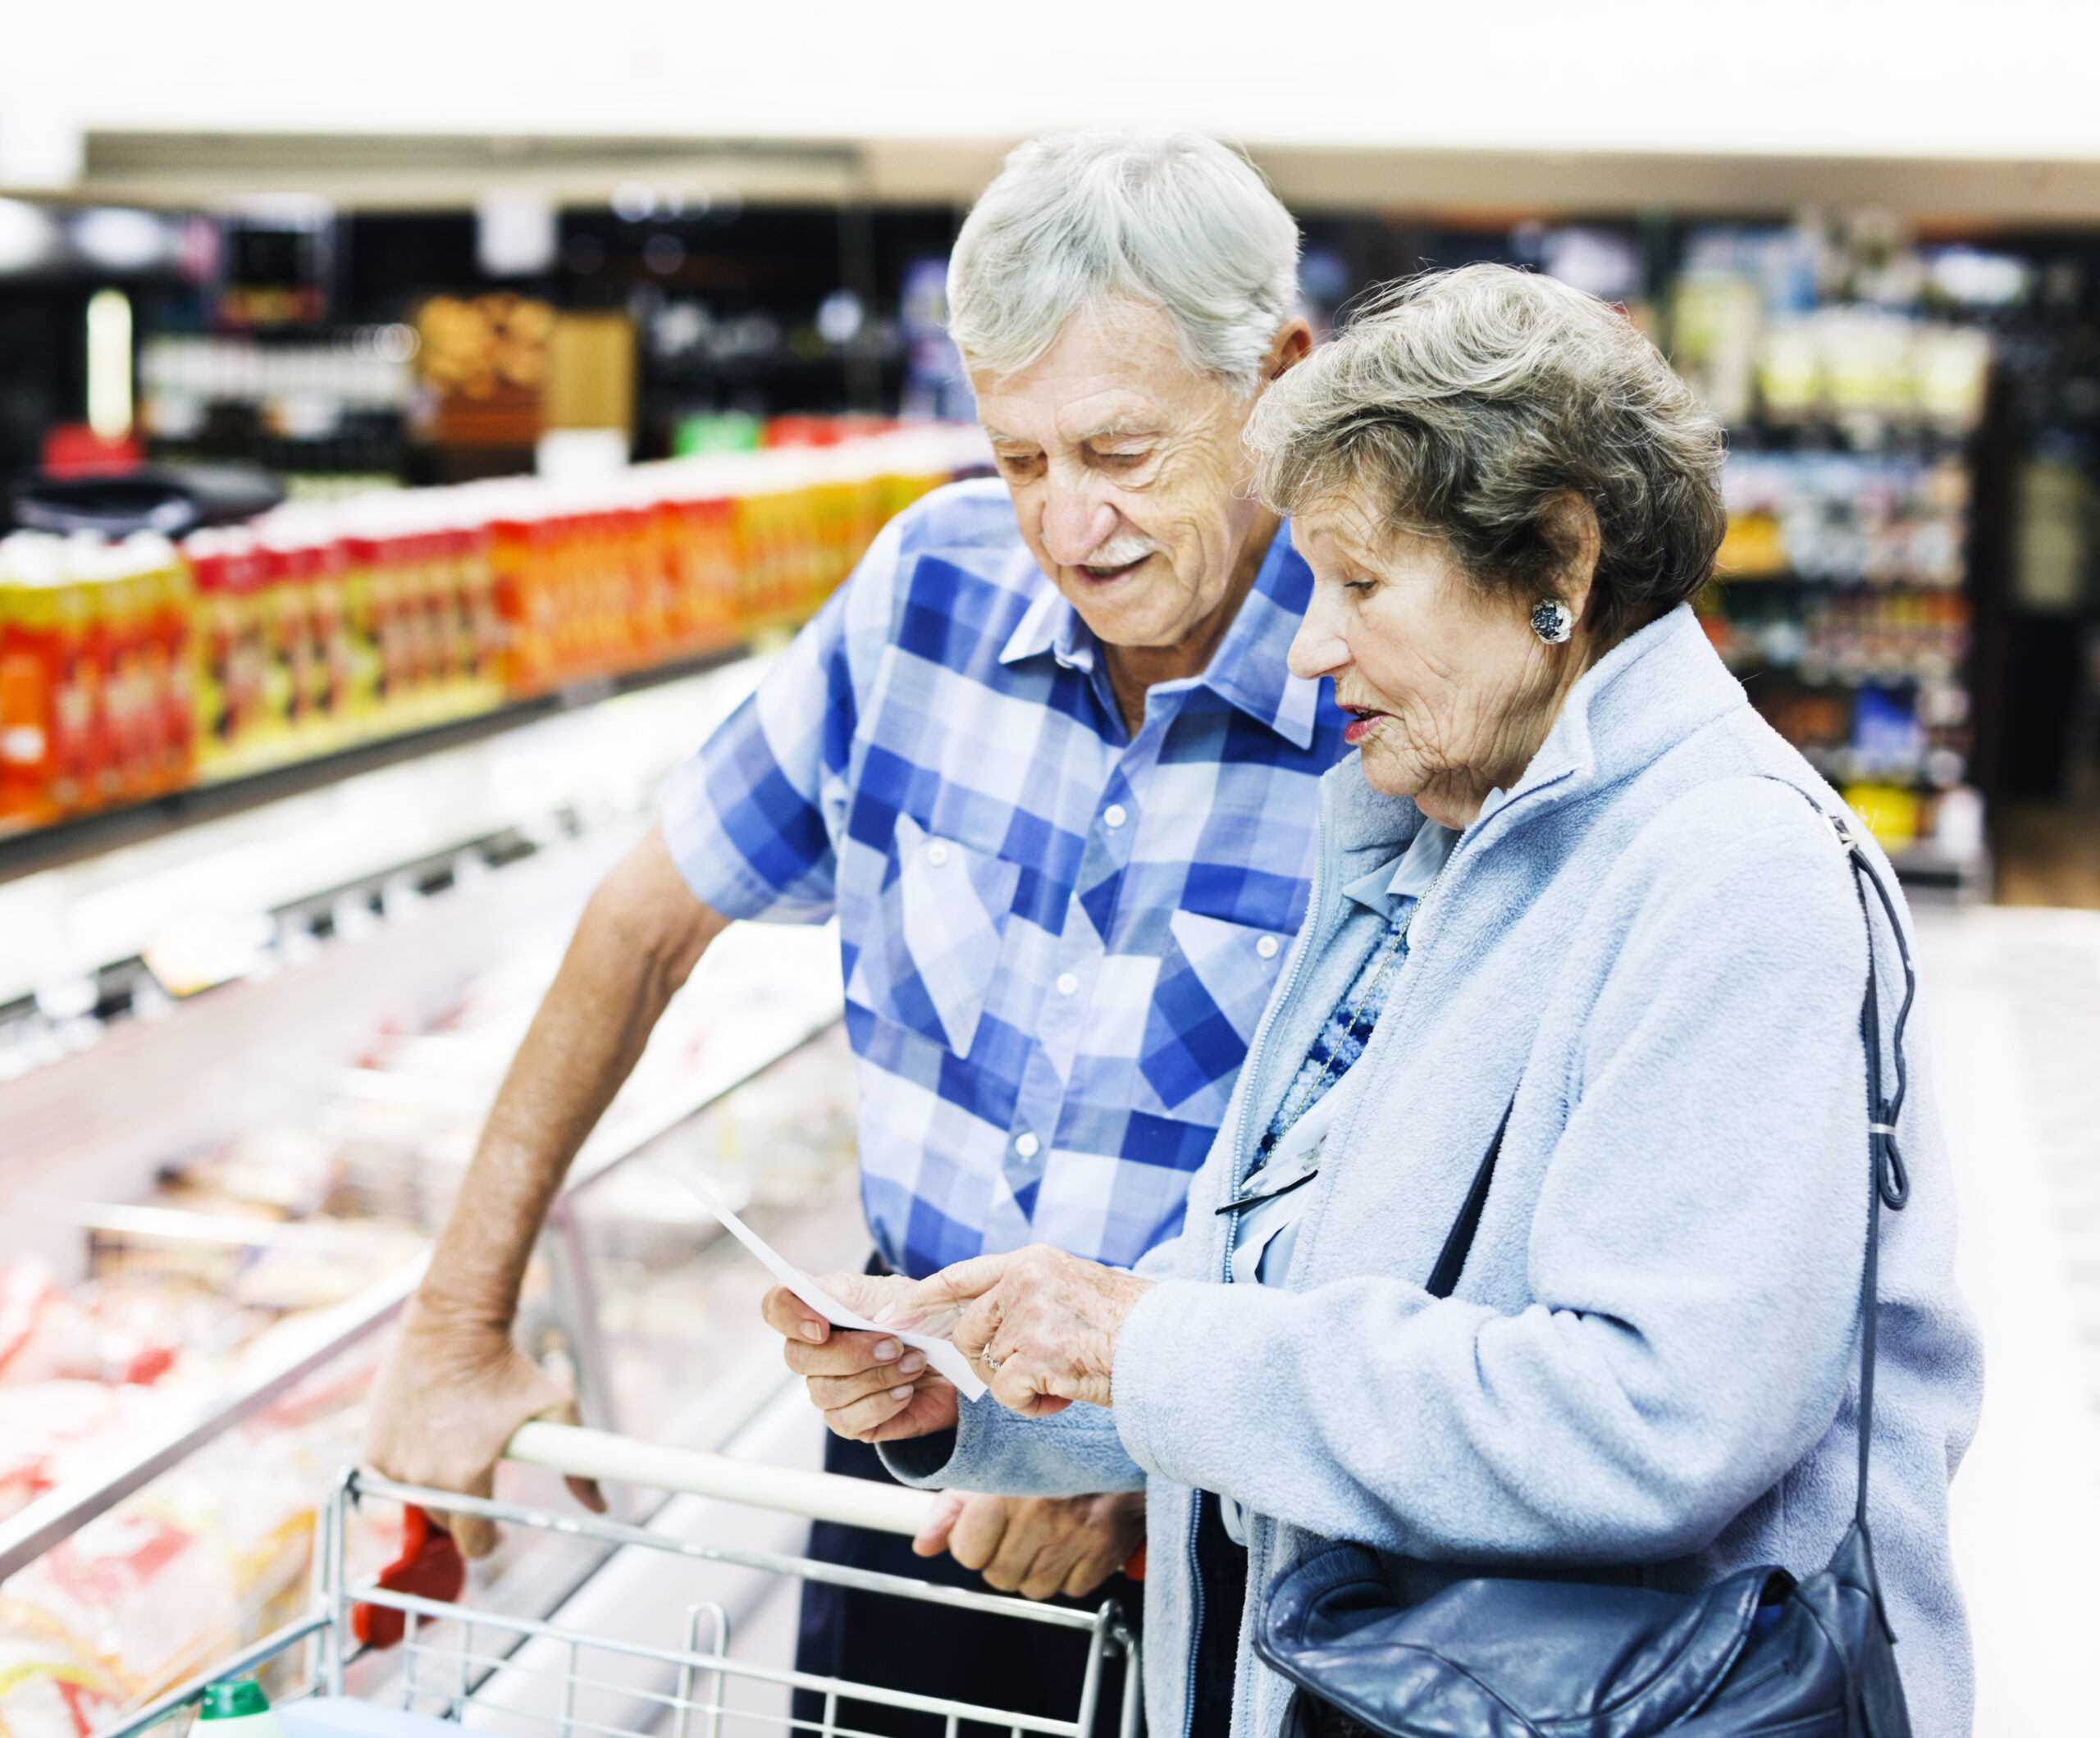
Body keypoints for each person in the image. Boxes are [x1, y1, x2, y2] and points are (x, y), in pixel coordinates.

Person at [764, 266, 1985, 1738]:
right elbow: (1304, 1290)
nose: (1307, 644)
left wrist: (1135, 1342)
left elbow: (1656, 1420)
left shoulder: (1733, 873)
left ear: (1558, 564)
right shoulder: (1431, 832)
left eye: (1358, 581)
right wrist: (986, 1384)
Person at [365, 129, 1349, 1736]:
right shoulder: (925, 594)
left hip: (1222, 1530)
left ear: (1277, 381)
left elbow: (1442, 1208)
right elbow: (634, 929)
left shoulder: (1377, 677)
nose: (1066, 524)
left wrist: (1152, 1447)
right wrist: (454, 1326)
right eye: (1019, 457)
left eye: (1119, 451)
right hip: (913, 1465)